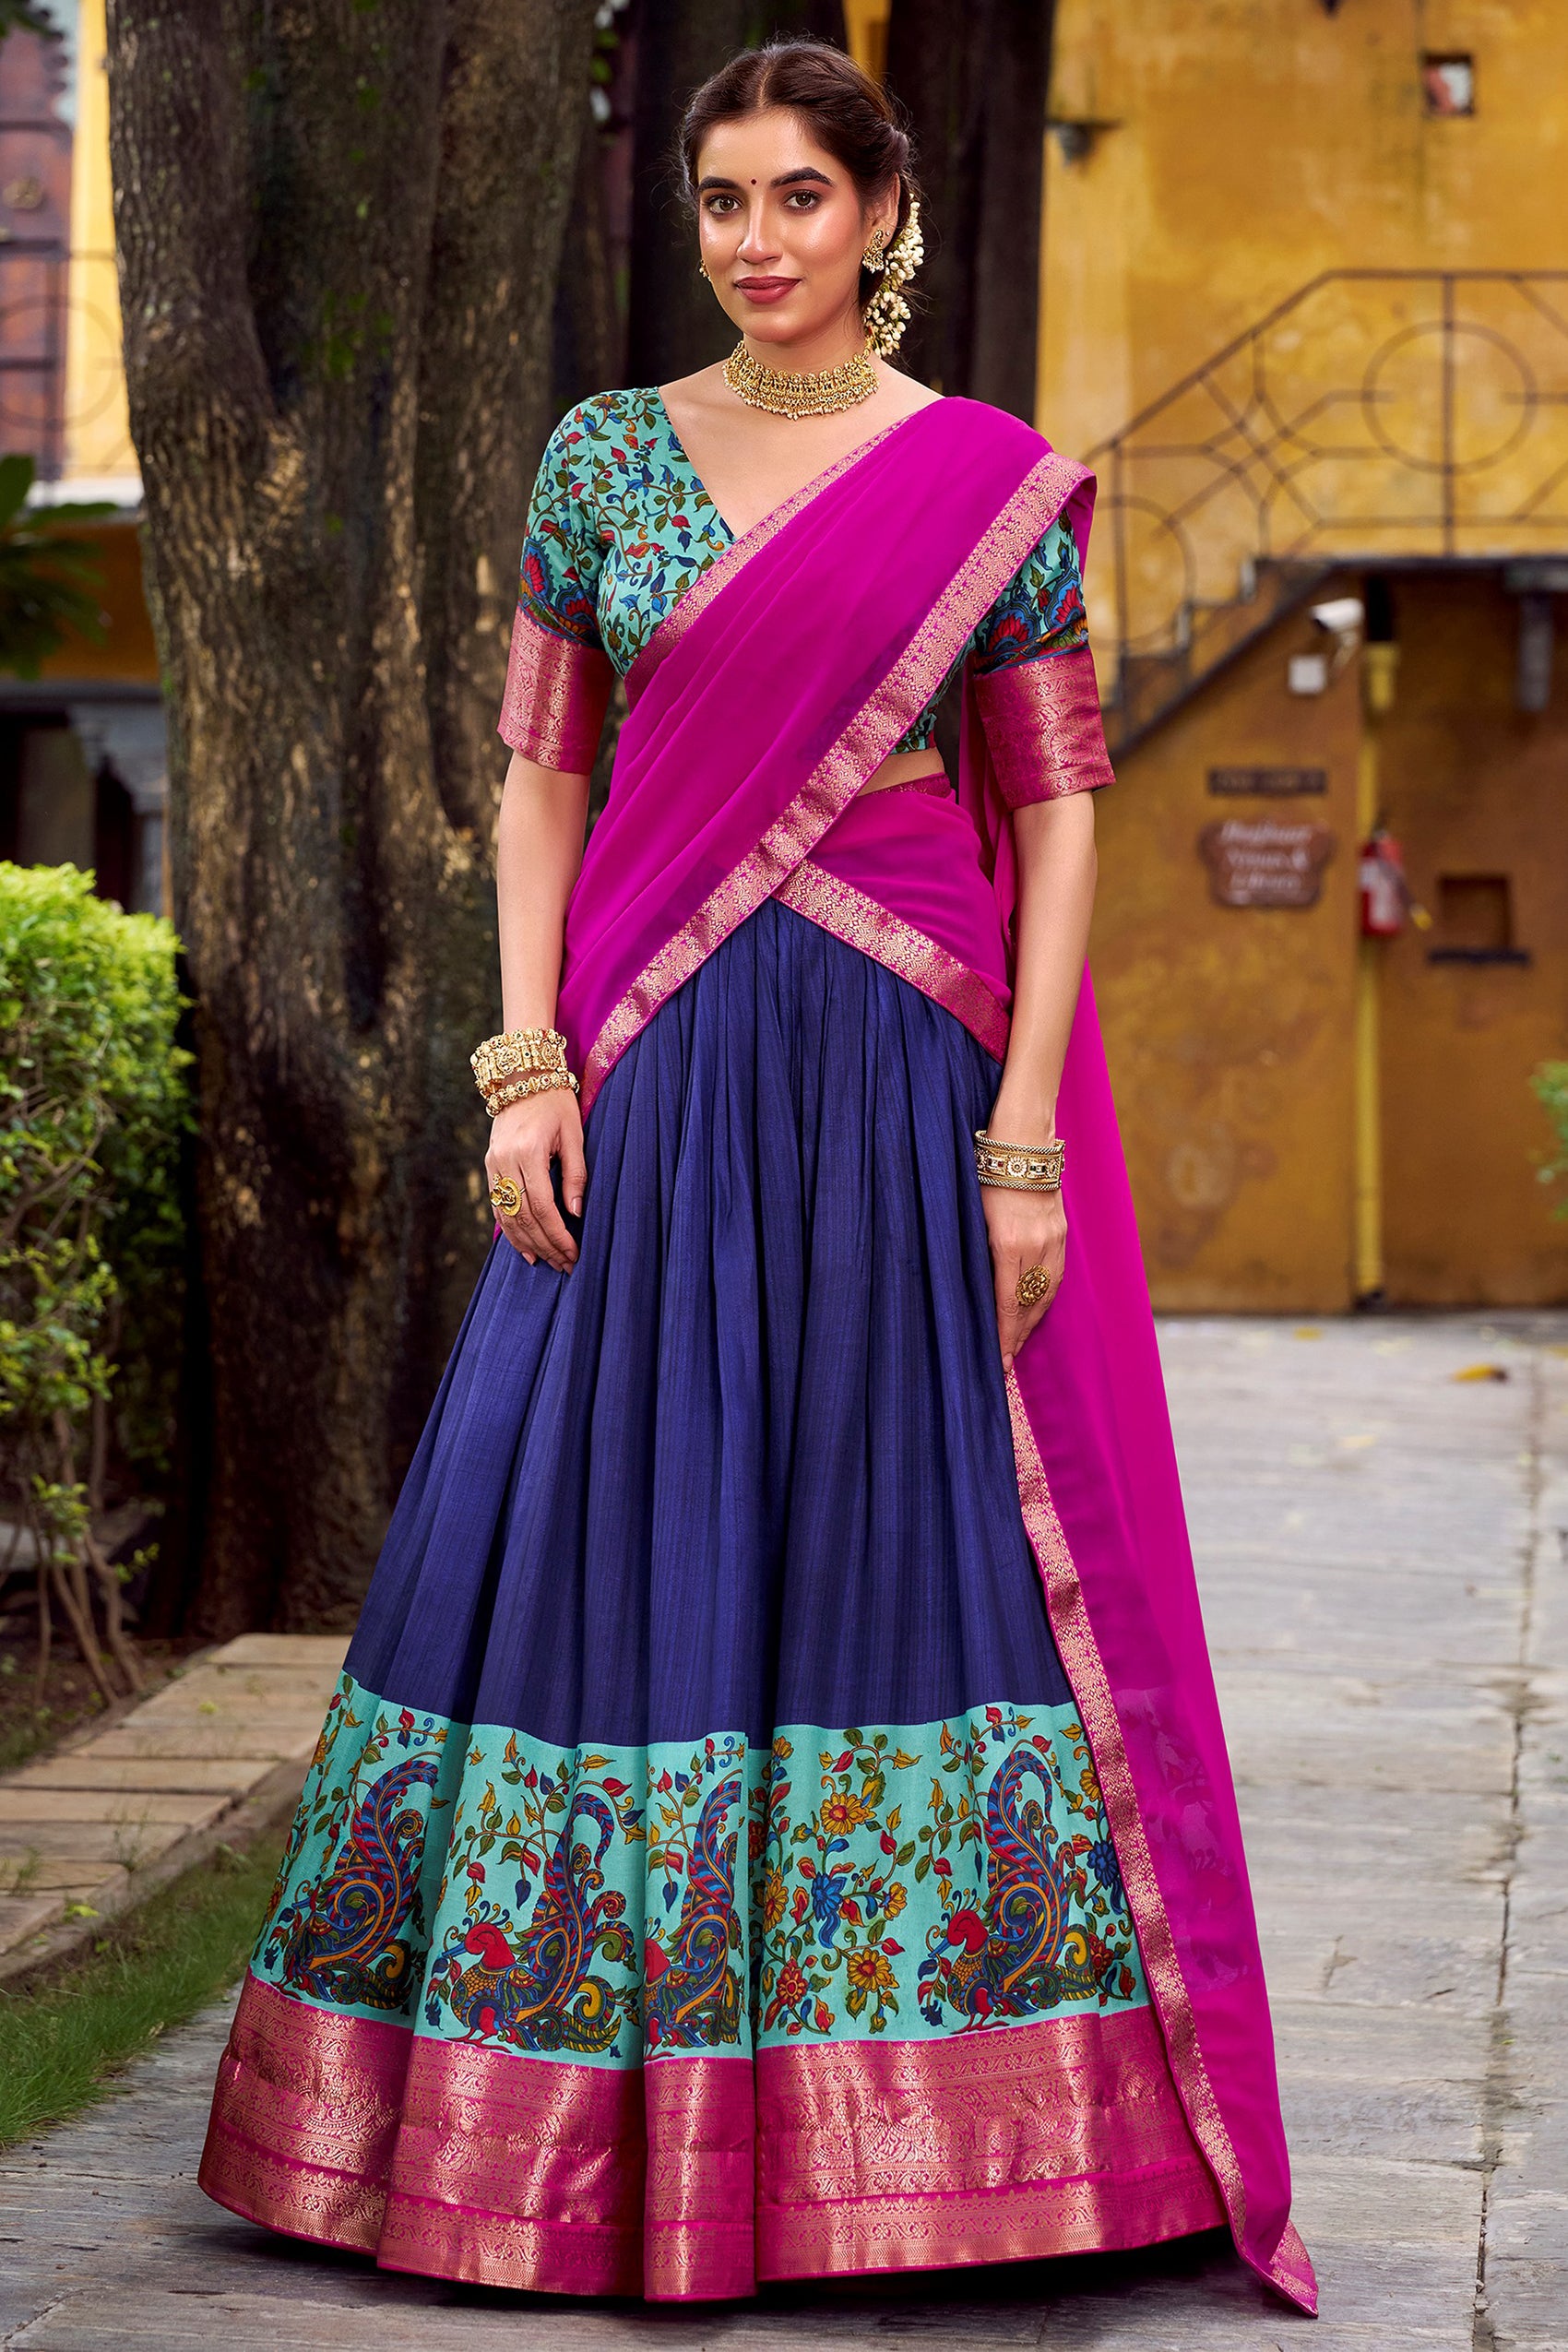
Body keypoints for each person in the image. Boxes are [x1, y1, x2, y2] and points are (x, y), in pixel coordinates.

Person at [198, 40, 1314, 2316]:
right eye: (723, 200)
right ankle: (543, 2131)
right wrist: (523, 1065)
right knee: (589, 1512)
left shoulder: (983, 486)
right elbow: (542, 780)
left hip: (897, 1067)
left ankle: (943, 2147)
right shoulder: (604, 459)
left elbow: (1059, 813)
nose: (755, 240)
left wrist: (1020, 1138)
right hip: (649, 1062)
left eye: (800, 194)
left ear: (879, 212)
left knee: (915, 1534)